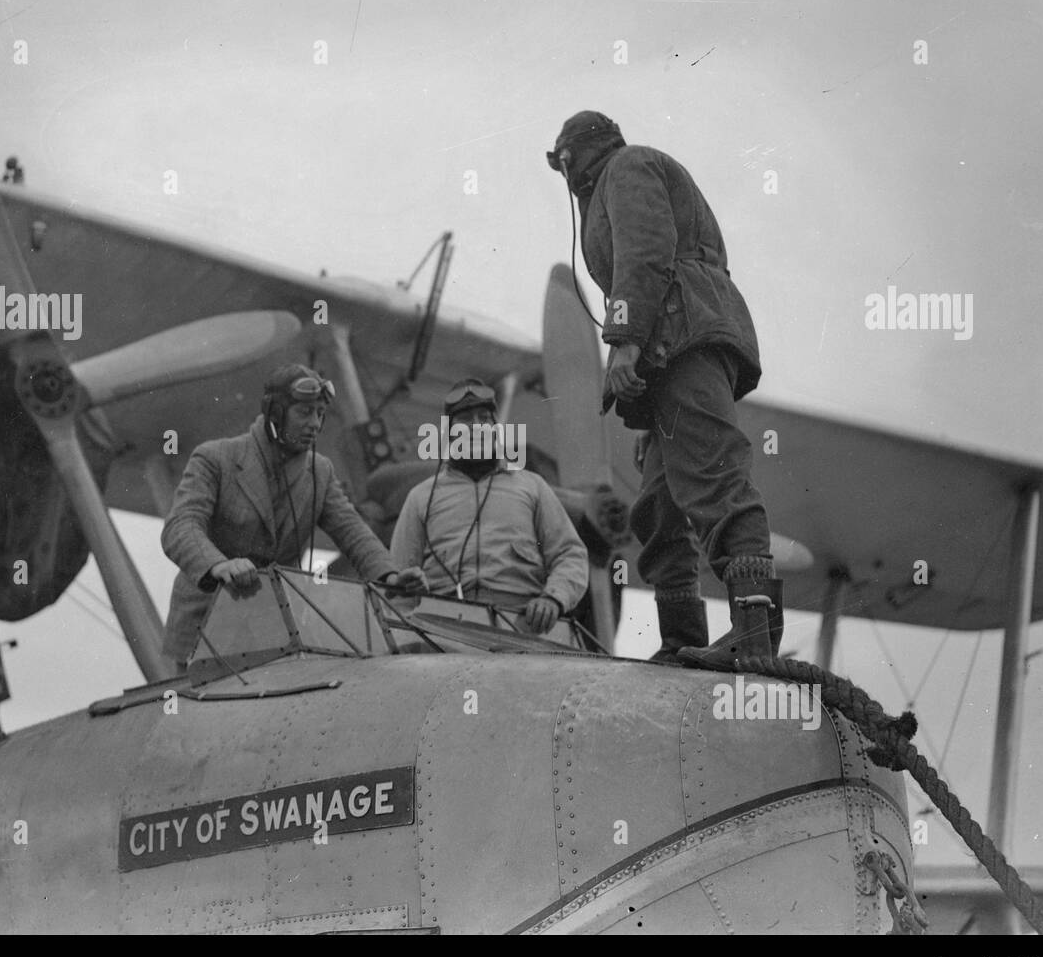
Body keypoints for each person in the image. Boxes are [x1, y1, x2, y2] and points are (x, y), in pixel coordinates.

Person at [547, 110, 782, 665]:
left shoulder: (627, 169)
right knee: (657, 504)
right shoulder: (614, 181)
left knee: (712, 472)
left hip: (684, 336)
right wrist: (650, 409)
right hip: (669, 345)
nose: (562, 172)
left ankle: (755, 630)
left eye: (563, 158)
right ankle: (683, 638)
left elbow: (645, 255)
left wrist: (624, 342)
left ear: (580, 151)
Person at [161, 364, 425, 668]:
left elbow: (354, 532)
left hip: (274, 632)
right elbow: (181, 525)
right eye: (305, 413)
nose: (315, 424)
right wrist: (220, 565)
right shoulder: (215, 458)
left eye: (321, 414)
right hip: (204, 631)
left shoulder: (320, 471)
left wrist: (390, 575)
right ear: (275, 414)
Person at [389, 380, 589, 635]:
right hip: (440, 631)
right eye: (465, 420)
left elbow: (571, 554)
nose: (476, 427)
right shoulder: (420, 497)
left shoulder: (533, 486)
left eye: (484, 418)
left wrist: (553, 598)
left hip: (520, 628)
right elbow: (396, 582)